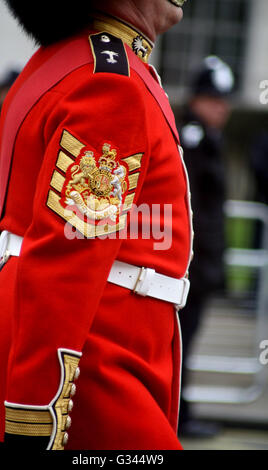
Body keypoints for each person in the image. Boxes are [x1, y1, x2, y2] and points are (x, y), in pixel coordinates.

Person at [0, 0, 192, 450]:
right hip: (91, 363)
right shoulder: (110, 82)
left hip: (48, 341)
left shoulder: (58, 61)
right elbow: (67, 255)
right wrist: (36, 413)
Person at [178, 56, 234, 437]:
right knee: (178, 344)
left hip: (202, 264)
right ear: (197, 99)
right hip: (189, 266)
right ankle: (176, 417)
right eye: (213, 99)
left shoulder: (210, 140)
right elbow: (188, 206)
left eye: (224, 101)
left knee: (185, 342)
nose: (221, 108)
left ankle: (180, 413)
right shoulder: (191, 139)